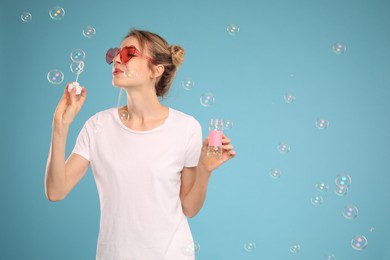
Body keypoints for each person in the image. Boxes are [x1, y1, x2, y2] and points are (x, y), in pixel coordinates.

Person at [45, 28, 236, 260]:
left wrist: (205, 169)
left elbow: (190, 208)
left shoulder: (186, 127)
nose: (116, 58)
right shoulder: (98, 126)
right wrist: (60, 126)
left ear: (156, 70)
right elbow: (56, 191)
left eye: (129, 53)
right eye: (116, 53)